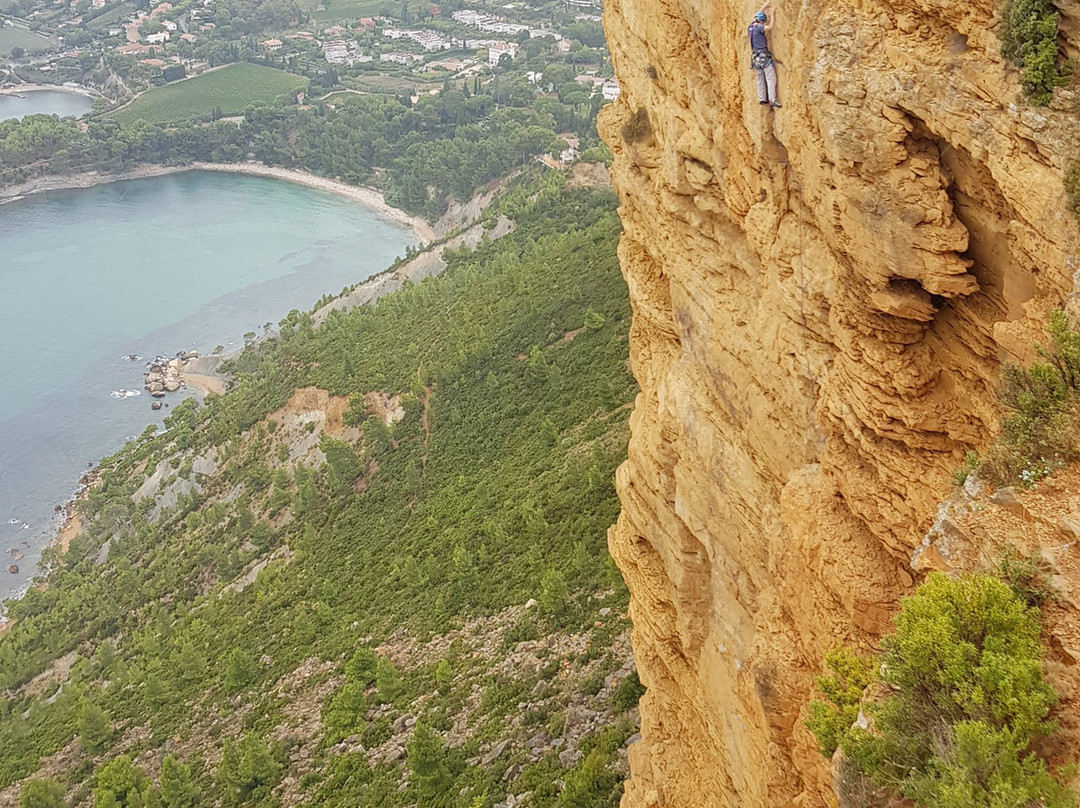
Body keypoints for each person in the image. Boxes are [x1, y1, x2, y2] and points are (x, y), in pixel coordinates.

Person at [748, 1, 781, 108]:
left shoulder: (751, 27)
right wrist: (772, 15)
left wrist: (765, 6)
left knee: (760, 78)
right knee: (771, 78)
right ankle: (772, 99)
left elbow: (756, 15)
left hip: (755, 58)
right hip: (763, 57)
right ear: (762, 22)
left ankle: (762, 98)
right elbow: (770, 27)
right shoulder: (759, 28)